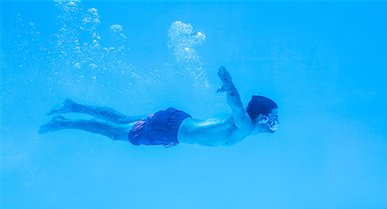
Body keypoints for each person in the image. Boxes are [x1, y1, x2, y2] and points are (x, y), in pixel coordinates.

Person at [39, 66, 279, 147]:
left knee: (121, 119)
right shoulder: (245, 125)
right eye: (273, 118)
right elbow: (238, 107)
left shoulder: (246, 127)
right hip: (170, 130)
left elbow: (238, 111)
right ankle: (65, 122)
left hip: (176, 122)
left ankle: (72, 105)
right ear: (262, 117)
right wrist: (230, 86)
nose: (275, 123)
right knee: (114, 132)